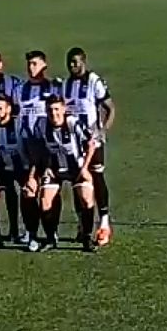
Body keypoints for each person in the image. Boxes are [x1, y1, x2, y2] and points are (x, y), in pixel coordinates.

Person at [62, 47, 117, 246]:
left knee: (97, 177)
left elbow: (110, 108)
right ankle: (83, 225)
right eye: (69, 62)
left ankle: (104, 224)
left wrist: (103, 131)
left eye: (76, 62)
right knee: (79, 182)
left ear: (84, 61)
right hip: (74, 143)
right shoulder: (65, 84)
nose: (72, 66)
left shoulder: (94, 81)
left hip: (93, 141)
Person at [30, 96, 98, 253]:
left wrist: (85, 168)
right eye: (50, 110)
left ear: (64, 109)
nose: (53, 113)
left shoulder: (72, 123)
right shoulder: (41, 125)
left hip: (76, 169)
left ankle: (86, 237)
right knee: (45, 200)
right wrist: (44, 167)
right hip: (55, 169)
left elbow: (91, 143)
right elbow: (39, 148)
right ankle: (50, 238)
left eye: (56, 109)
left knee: (87, 198)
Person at [0, 93, 37, 251]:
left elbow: (34, 155)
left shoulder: (20, 126)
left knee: (29, 193)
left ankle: (31, 235)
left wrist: (32, 178)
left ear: (9, 109)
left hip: (22, 168)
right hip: (2, 168)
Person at [15, 50, 57, 244]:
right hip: (26, 146)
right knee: (28, 190)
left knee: (48, 190)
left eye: (35, 64)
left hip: (47, 148)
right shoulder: (19, 90)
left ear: (44, 65)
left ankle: (51, 229)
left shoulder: (53, 89)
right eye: (29, 64)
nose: (31, 68)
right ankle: (30, 231)